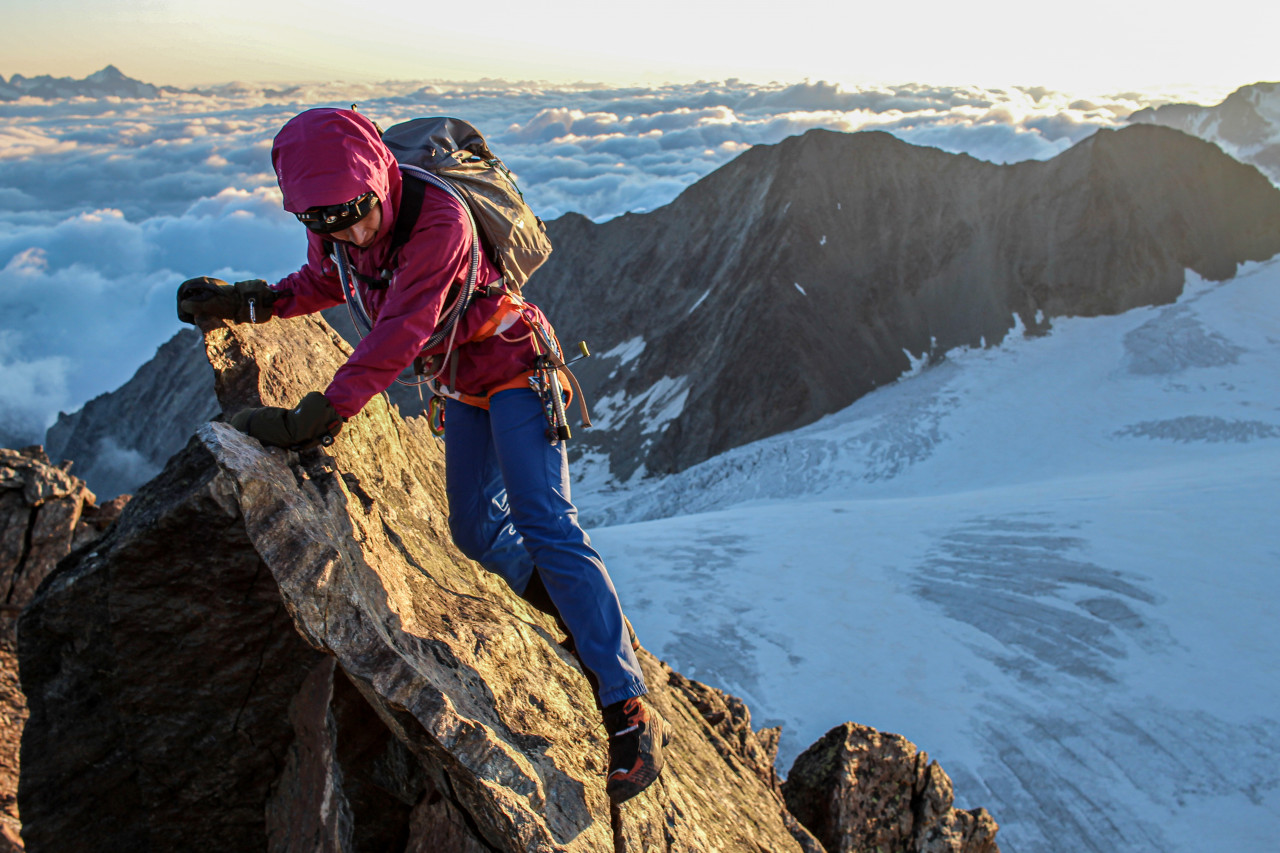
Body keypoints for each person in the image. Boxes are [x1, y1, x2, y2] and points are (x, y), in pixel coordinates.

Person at [176, 107, 668, 804]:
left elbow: (399, 334)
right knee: (473, 531)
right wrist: (249, 302)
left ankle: (626, 706)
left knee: (544, 517)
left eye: (354, 216)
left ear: (378, 178)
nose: (347, 233)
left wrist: (318, 415)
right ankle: (580, 621)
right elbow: (328, 282)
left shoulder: (442, 221)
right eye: (325, 224)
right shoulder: (343, 217)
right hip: (465, 382)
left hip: (518, 365)